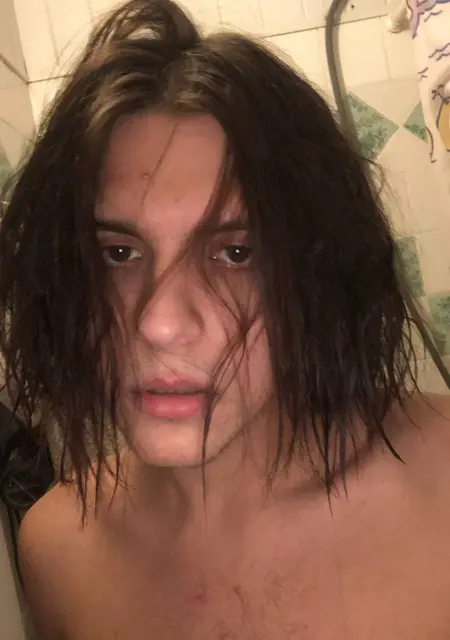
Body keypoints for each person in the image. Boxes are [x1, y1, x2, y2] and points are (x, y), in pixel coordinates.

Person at [1, 0, 450, 637]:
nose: (160, 324)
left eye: (236, 253)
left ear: (319, 273)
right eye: (118, 254)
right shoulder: (57, 550)